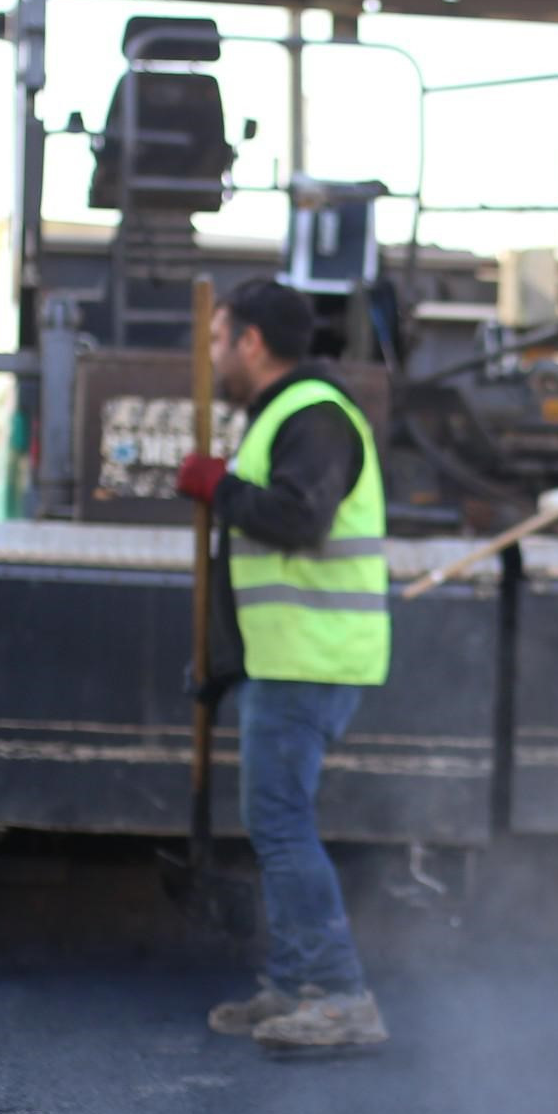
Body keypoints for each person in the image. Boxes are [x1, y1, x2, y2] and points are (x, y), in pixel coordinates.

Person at [172, 277, 392, 1055]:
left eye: (218, 337)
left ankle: (338, 997)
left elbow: (299, 520)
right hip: (291, 657)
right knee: (277, 825)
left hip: (313, 660)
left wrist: (219, 486)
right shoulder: (287, 417)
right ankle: (298, 983)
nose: (213, 355)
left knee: (281, 825)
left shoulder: (315, 416)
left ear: (251, 341)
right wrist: (222, 665)